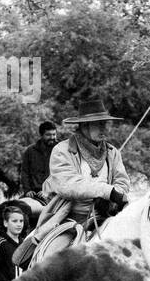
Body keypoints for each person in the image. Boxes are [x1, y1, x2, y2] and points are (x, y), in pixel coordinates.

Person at [43, 98, 131, 231]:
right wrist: (107, 191)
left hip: (106, 217)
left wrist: (114, 197)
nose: (103, 128)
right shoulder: (61, 150)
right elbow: (67, 184)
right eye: (98, 124)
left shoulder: (113, 152)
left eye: (104, 124)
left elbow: (122, 181)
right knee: (47, 248)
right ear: (84, 126)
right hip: (69, 218)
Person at [0, 202, 32, 281]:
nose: (19, 224)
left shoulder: (24, 243)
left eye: (21, 221)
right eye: (14, 221)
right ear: (6, 223)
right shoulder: (0, 242)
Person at [19, 121, 59, 198]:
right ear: (41, 135)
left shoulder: (61, 150)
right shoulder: (30, 151)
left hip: (54, 192)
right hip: (33, 193)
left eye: (54, 134)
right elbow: (25, 172)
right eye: (48, 135)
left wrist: (49, 190)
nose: (52, 137)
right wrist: (27, 190)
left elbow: (64, 174)